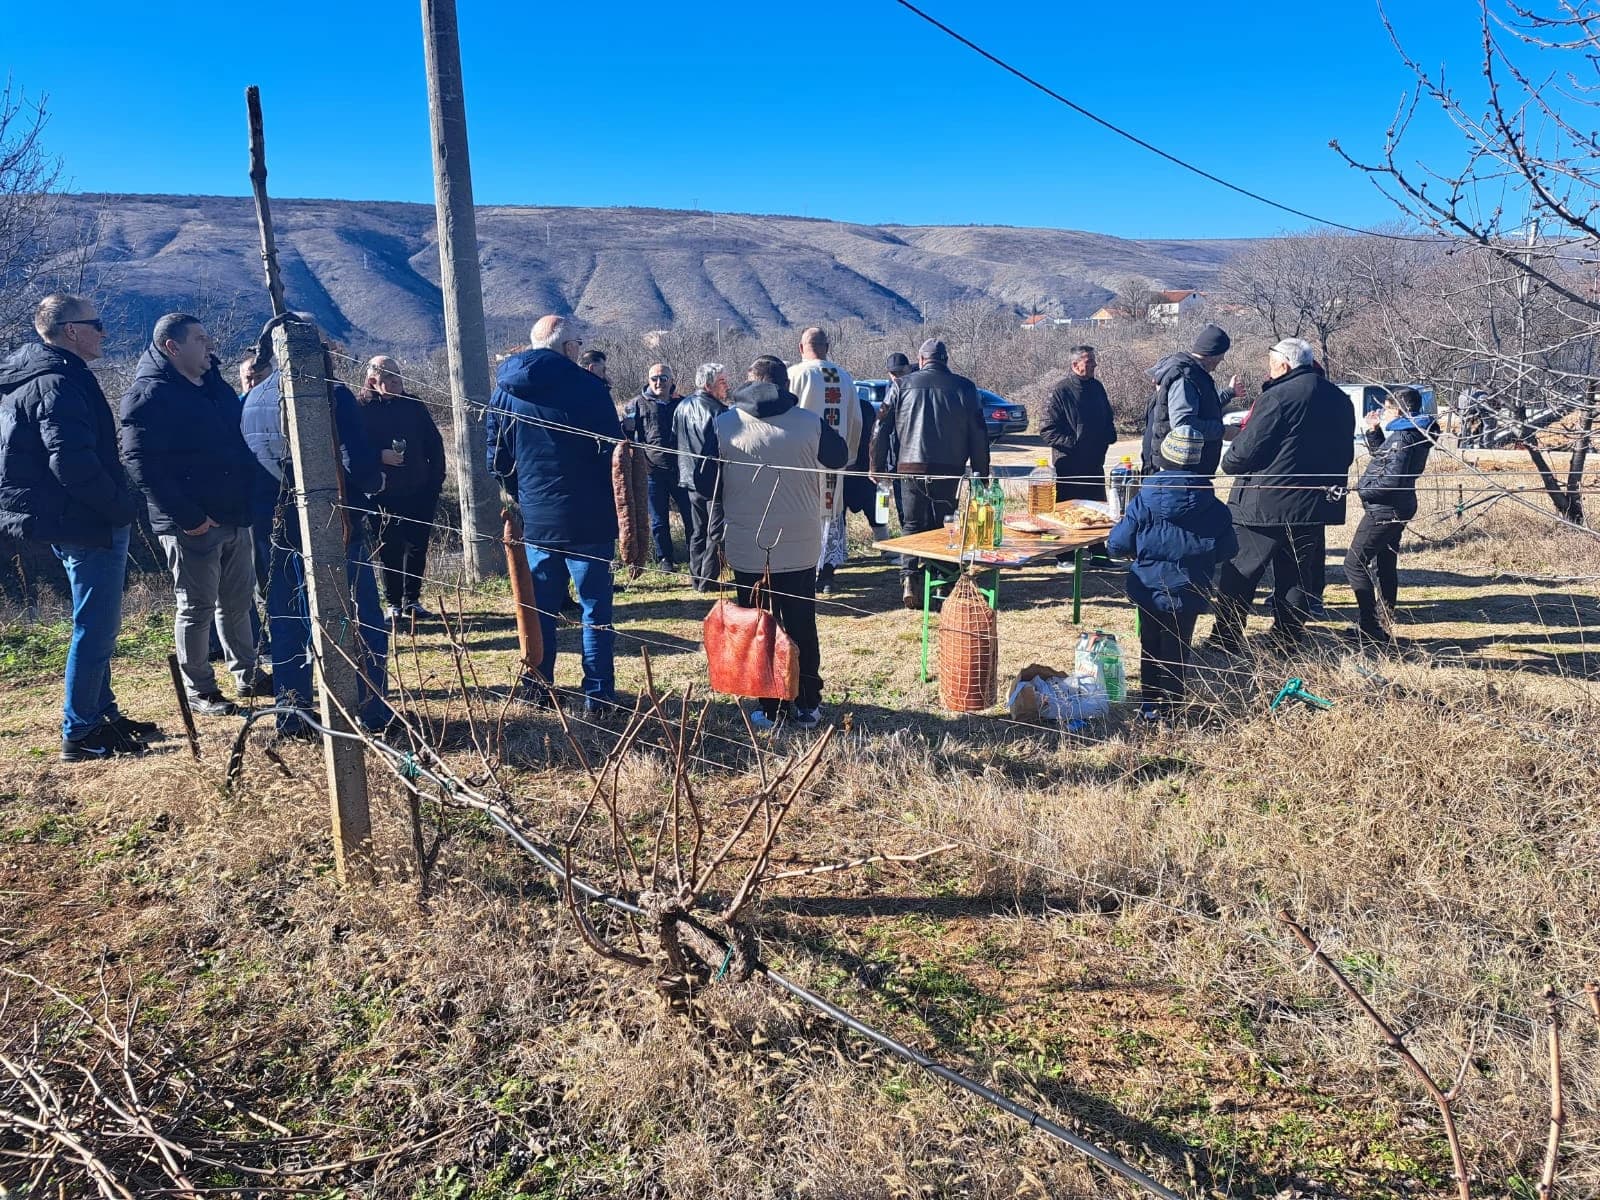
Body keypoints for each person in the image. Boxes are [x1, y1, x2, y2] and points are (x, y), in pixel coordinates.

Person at [0, 294, 161, 760]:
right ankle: (82, 731)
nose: (103, 332)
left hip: (60, 518)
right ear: (71, 331)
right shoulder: (58, 383)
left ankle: (101, 713)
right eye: (97, 323)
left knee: (94, 622)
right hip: (85, 520)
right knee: (95, 626)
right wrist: (119, 506)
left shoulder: (30, 377)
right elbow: (70, 461)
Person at [240, 313, 393, 739]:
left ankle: (293, 713)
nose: (328, 353)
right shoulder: (329, 395)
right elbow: (355, 461)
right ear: (307, 349)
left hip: (275, 528)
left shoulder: (251, 399)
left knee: (288, 619)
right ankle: (370, 709)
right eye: (322, 345)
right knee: (361, 618)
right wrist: (375, 481)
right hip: (334, 524)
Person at [120, 313, 268, 717]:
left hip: (234, 515)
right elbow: (141, 463)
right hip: (192, 524)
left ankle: (248, 674)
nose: (210, 346)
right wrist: (188, 517)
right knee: (196, 607)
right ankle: (201, 689)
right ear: (173, 346)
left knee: (237, 604)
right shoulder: (149, 394)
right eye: (201, 340)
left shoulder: (214, 385)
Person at [703, 356, 848, 731]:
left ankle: (770, 707)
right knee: (802, 624)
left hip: (748, 544)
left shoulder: (723, 424)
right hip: (800, 543)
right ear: (787, 386)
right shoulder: (809, 422)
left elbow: (704, 483)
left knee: (758, 626)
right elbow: (840, 456)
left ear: (748, 383)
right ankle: (807, 705)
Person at [487, 315, 623, 712]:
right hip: (591, 518)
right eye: (578, 343)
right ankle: (598, 696)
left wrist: (523, 495)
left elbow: (495, 456)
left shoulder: (504, 390)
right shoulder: (590, 388)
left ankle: (537, 687)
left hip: (539, 517)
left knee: (539, 607)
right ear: (567, 348)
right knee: (595, 610)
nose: (580, 349)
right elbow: (616, 454)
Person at [1207, 337, 1356, 653]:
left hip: (1265, 503)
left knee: (1240, 572)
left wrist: (1230, 459)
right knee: (1296, 576)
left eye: (1270, 363)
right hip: (1315, 504)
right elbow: (1345, 454)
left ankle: (1225, 638)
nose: (1268, 369)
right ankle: (1288, 638)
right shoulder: (1341, 399)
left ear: (1284, 365)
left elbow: (1244, 452)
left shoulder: (1277, 397)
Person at [1107, 426, 1237, 724]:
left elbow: (1117, 544)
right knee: (1178, 648)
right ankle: (1172, 708)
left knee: (1150, 644)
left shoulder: (1144, 498)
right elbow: (1229, 549)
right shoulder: (1215, 508)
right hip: (1189, 588)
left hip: (1148, 588)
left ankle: (1150, 704)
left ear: (1164, 456)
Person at [870, 338, 989, 609]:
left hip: (909, 467)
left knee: (911, 525)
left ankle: (909, 579)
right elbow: (979, 434)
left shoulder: (901, 385)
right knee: (946, 526)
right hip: (949, 468)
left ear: (921, 360)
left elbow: (880, 428)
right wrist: (981, 473)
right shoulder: (965, 387)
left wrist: (876, 467)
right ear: (946, 360)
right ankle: (945, 580)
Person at [355, 355, 446, 622]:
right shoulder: (360, 407)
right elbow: (351, 449)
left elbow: (434, 444)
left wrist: (434, 483)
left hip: (419, 490)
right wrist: (378, 456)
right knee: (390, 548)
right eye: (389, 378)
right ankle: (393, 603)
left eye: (398, 376)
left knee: (417, 546)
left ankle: (412, 600)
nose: (396, 382)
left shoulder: (413, 405)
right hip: (383, 492)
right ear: (373, 380)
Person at [1344, 386, 1434, 646]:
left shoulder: (1405, 435)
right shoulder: (1409, 432)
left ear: (1398, 409)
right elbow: (1386, 460)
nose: (1382, 412)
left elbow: (1392, 478)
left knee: (1354, 563)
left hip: (1386, 508)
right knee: (1384, 562)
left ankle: (1370, 625)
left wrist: (1361, 488)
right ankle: (1382, 621)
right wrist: (1374, 432)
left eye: (1386, 408)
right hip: (1397, 505)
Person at [787, 328, 860, 596]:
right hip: (834, 460)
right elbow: (855, 420)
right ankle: (827, 572)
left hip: (802, 460)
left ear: (800, 347)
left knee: (804, 513)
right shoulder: (843, 377)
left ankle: (804, 570)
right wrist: (849, 456)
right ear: (827, 347)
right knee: (831, 511)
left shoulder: (795, 374)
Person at [1141, 323, 1238, 477]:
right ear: (1213, 355)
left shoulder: (1193, 374)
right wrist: (1222, 431)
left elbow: (1203, 407)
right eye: (1221, 356)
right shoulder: (1185, 377)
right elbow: (1183, 425)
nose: (1222, 360)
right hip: (1180, 472)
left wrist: (1229, 393)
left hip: (1188, 469)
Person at [623, 362, 691, 571]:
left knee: (690, 515)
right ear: (648, 380)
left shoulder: (684, 403)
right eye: (654, 378)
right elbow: (627, 437)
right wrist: (626, 429)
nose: (659, 382)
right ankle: (665, 559)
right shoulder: (636, 404)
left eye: (663, 378)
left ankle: (695, 556)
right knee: (659, 519)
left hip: (682, 469)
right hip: (651, 470)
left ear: (672, 381)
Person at [672, 361, 729, 591]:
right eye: (722, 381)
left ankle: (696, 578)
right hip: (713, 480)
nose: (727, 386)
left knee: (698, 530)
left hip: (688, 478)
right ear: (709, 385)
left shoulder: (681, 406)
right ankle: (708, 581)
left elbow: (674, 437)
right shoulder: (719, 412)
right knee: (715, 532)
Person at [1039, 345, 1117, 502]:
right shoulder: (1060, 391)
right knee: (1069, 516)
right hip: (1070, 469)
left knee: (1097, 516)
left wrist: (1108, 437)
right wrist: (1077, 444)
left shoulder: (1097, 387)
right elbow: (1047, 430)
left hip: (1095, 466)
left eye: (1094, 361)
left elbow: (1108, 419)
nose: (1094, 365)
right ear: (1075, 365)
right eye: (1089, 361)